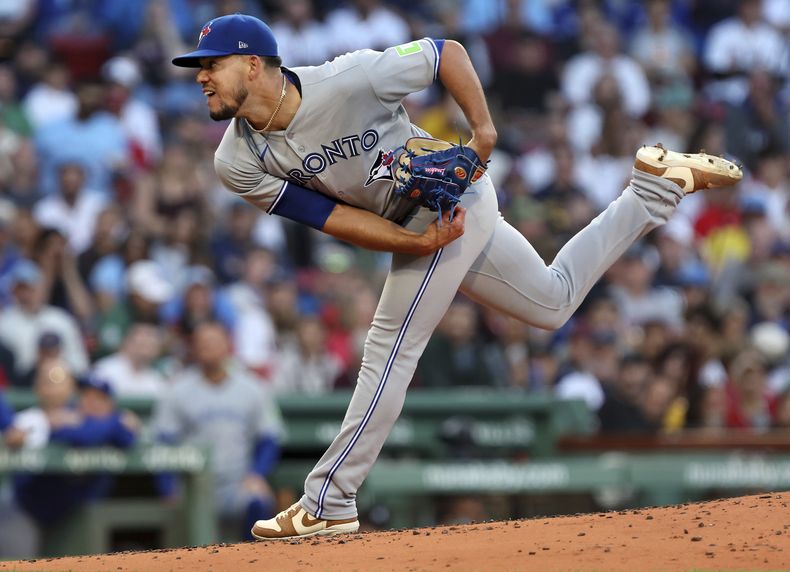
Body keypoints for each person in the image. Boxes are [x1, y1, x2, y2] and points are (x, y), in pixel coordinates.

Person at [171, 13, 743, 539]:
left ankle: (329, 500)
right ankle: (652, 191)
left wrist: (484, 133)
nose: (201, 78)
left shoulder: (348, 79)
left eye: (211, 66)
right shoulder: (235, 160)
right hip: (414, 222)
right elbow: (330, 217)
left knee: (390, 345)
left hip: (454, 198)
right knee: (552, 302)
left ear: (253, 64)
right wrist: (410, 242)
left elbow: (446, 53)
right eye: (199, 69)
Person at [151, 321, 282, 541]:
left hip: (237, 481)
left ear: (227, 346)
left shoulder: (252, 387)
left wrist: (257, 474)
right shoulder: (177, 389)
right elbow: (164, 441)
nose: (206, 348)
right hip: (193, 486)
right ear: (193, 348)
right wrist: (167, 488)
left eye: (213, 342)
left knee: (258, 501)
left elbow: (269, 437)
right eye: (201, 343)